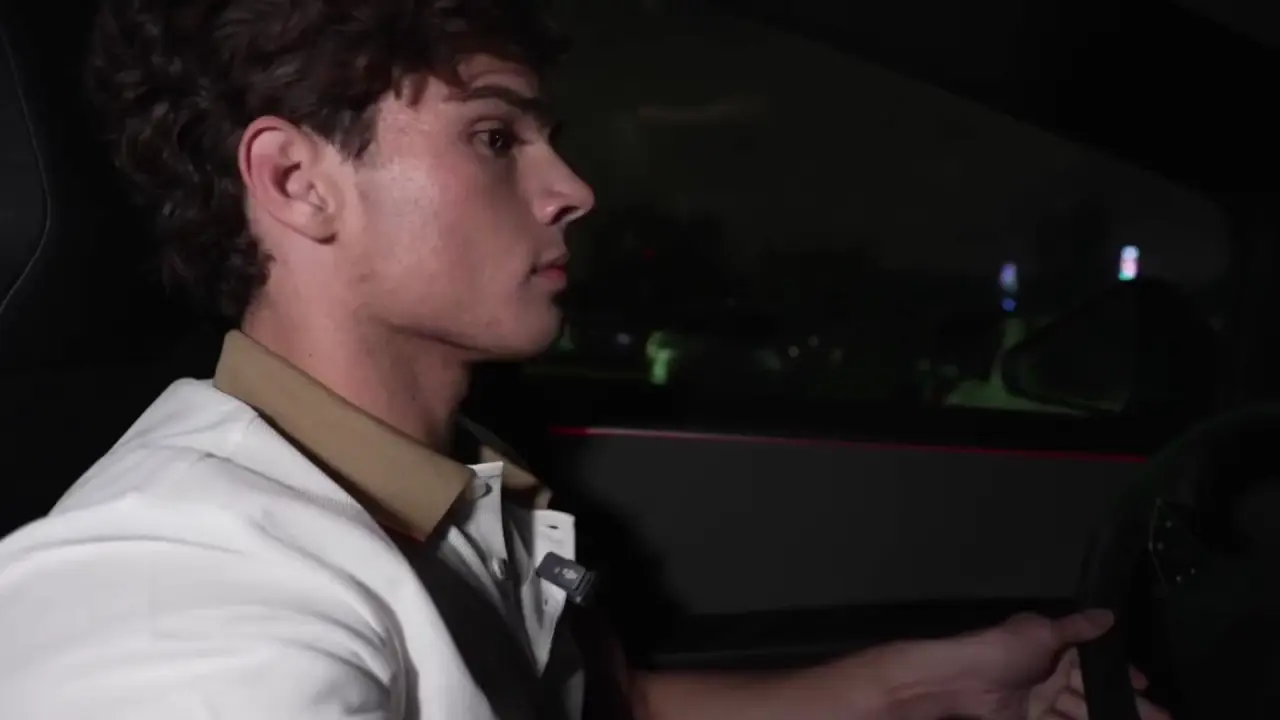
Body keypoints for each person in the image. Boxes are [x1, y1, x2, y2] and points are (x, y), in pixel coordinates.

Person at [0, 1, 1168, 719]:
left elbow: (608, 708)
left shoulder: (455, 472)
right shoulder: (178, 594)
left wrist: (922, 689)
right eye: (493, 136)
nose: (572, 189)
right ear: (298, 182)